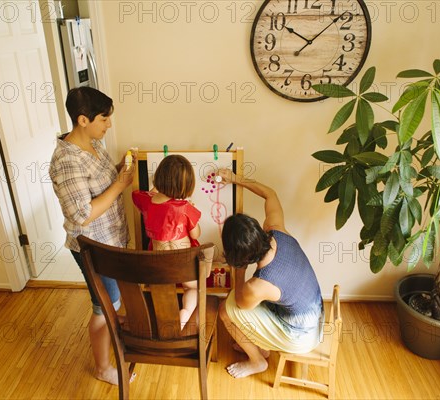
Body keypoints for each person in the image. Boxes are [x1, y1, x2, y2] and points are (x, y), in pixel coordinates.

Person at [49, 87, 135, 385]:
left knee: (114, 299)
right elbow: (81, 214)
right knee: (103, 307)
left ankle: (118, 325)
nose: (109, 124)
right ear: (83, 120)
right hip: (93, 247)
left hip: (111, 239)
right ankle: (102, 367)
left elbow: (100, 185)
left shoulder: (95, 145)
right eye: (104, 118)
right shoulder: (66, 161)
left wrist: (118, 170)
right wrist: (120, 185)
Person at [216, 168, 324, 379]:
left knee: (225, 310)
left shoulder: (259, 285)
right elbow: (270, 194)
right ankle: (261, 346)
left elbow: (240, 302)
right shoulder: (276, 230)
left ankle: (257, 361)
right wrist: (236, 179)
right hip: (316, 314)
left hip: (302, 336)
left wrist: (237, 268)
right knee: (249, 305)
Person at [132, 155, 202, 326]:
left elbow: (138, 194)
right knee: (192, 288)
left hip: (159, 262)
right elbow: (195, 235)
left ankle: (162, 314)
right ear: (187, 185)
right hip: (183, 262)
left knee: (161, 287)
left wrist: (158, 186)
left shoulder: (147, 202)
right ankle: (185, 312)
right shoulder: (186, 208)